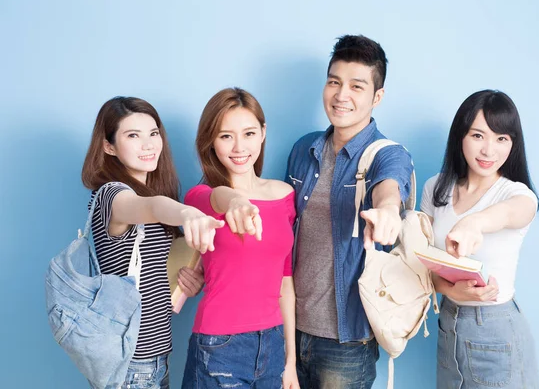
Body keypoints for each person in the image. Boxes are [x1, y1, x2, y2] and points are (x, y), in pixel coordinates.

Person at [285, 35, 414, 388]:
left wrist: (387, 211)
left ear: (377, 97)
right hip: (289, 330)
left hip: (347, 342)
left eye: (357, 86)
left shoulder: (388, 153)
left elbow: (391, 186)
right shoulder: (303, 149)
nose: (342, 95)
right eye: (334, 82)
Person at [81, 96, 223, 389]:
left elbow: (158, 267)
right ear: (109, 146)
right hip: (131, 363)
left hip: (154, 356)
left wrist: (189, 281)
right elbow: (154, 206)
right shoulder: (112, 194)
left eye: (153, 133)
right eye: (133, 135)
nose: (148, 144)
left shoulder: (149, 192)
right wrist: (186, 212)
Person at [420, 90, 539, 388]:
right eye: (478, 135)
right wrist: (451, 290)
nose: (489, 150)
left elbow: (514, 212)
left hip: (496, 329)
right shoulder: (435, 188)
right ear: (460, 136)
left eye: (502, 138)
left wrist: (474, 222)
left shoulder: (516, 194)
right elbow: (422, 268)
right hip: (448, 325)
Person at [181, 88, 300, 389]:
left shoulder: (285, 196)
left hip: (273, 344)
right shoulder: (200, 198)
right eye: (225, 136)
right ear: (211, 141)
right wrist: (235, 201)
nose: (238, 147)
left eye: (248, 133)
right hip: (220, 346)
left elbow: (285, 282)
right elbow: (218, 197)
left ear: (263, 132)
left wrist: (290, 362)